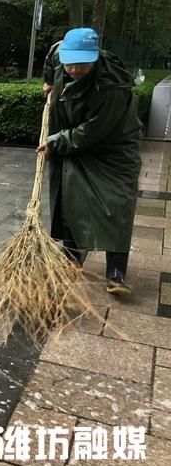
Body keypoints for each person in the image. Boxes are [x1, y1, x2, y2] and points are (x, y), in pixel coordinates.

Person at [37, 27, 142, 295]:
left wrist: (55, 141)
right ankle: (71, 259)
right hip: (74, 138)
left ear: (95, 57)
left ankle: (116, 272)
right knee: (71, 194)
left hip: (112, 147)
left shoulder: (112, 86)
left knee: (116, 205)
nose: (73, 69)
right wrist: (49, 80)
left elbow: (92, 131)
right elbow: (52, 58)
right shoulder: (58, 52)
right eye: (70, 62)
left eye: (81, 64)